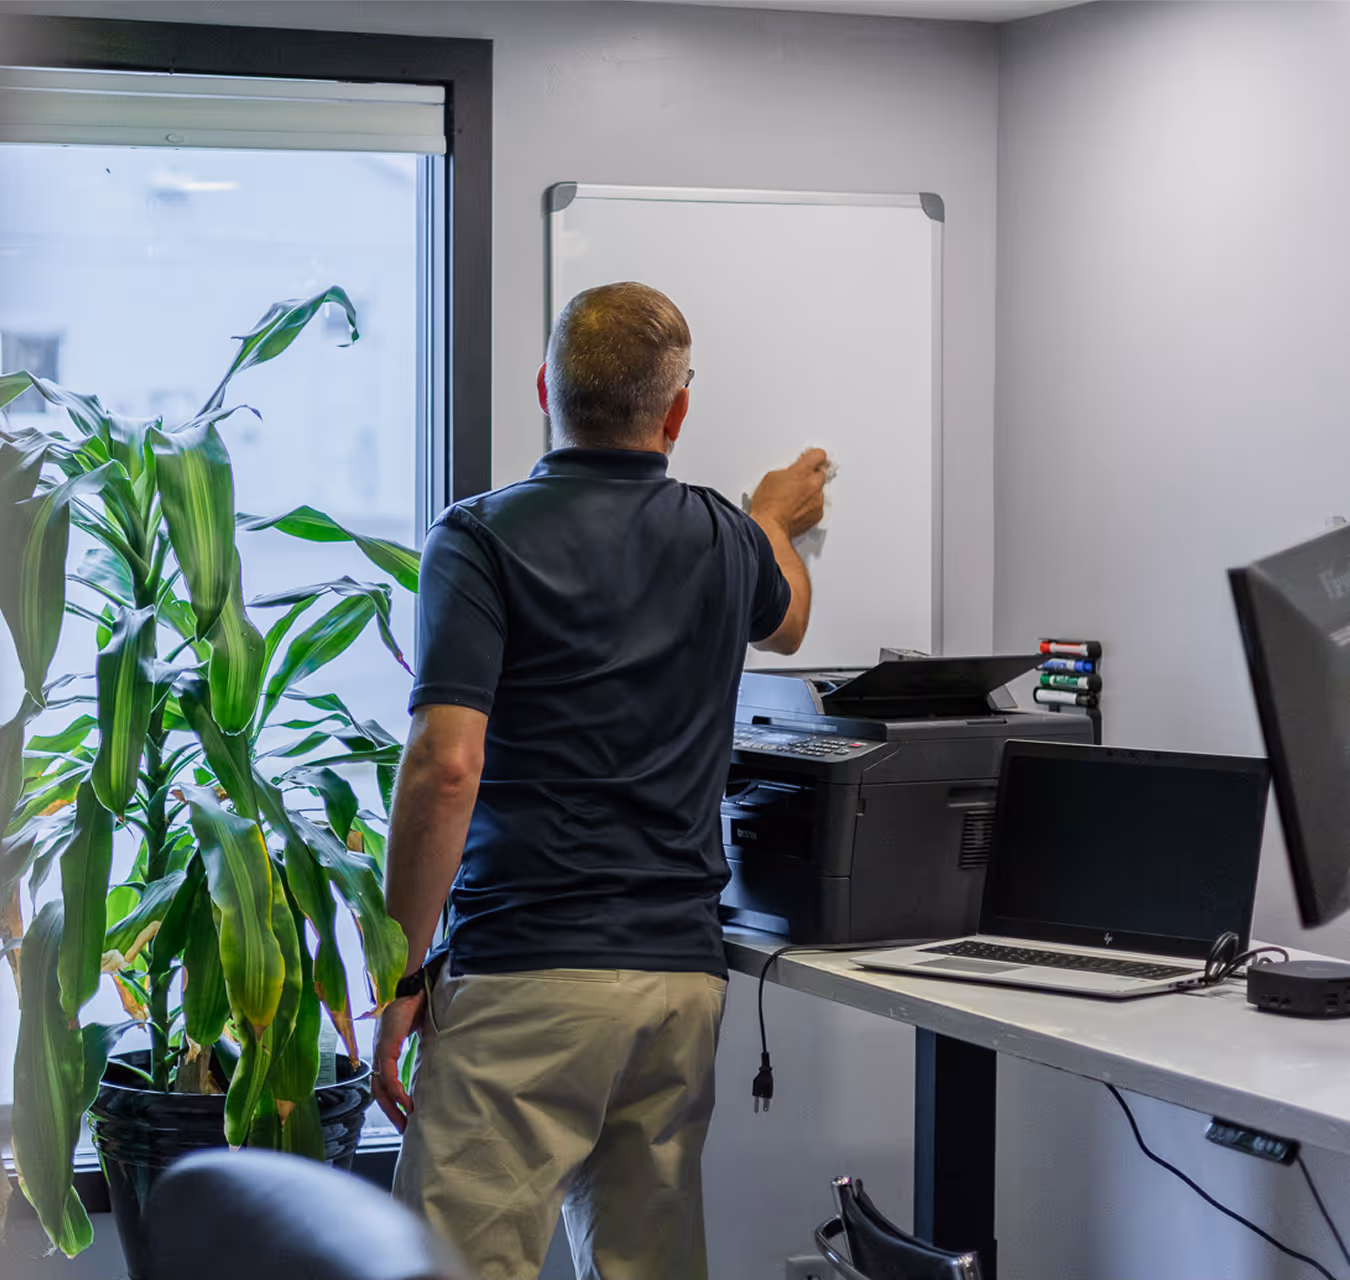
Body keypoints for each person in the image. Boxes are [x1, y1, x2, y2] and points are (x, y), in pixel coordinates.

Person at [373, 281, 829, 1280]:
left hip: (529, 976)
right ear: (676, 412)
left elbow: (447, 766)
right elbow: (788, 615)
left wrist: (402, 974)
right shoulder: (726, 536)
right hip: (677, 986)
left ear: (545, 387)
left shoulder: (480, 537)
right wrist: (771, 521)